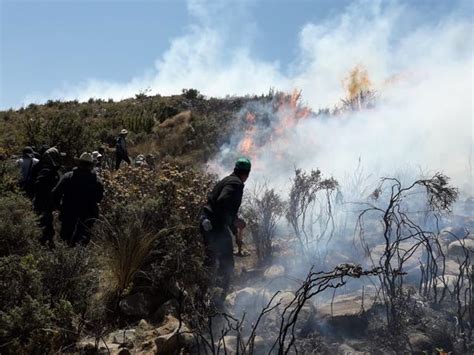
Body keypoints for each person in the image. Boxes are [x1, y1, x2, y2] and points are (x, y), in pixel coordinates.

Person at [200, 158, 251, 295]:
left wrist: (235, 232)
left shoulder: (228, 180)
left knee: (210, 258)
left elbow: (223, 208)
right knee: (226, 261)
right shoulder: (236, 183)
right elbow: (223, 202)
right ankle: (219, 296)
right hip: (215, 225)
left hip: (207, 221)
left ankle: (203, 292)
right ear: (247, 173)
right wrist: (235, 220)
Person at [52, 152, 104, 246]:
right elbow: (99, 198)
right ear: (91, 165)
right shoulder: (96, 180)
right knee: (82, 242)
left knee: (66, 240)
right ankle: (79, 259)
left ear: (79, 163)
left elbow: (56, 193)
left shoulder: (68, 176)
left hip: (69, 212)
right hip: (87, 215)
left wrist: (59, 206)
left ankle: (64, 258)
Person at [33, 147, 61, 247]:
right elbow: (38, 185)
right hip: (43, 202)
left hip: (45, 202)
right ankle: (43, 244)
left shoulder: (47, 169)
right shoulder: (46, 170)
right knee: (44, 223)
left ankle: (46, 242)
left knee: (46, 222)